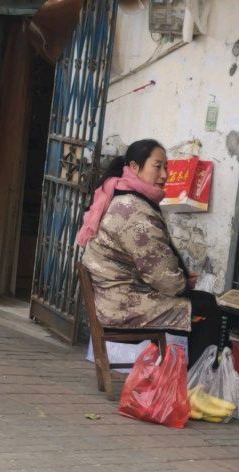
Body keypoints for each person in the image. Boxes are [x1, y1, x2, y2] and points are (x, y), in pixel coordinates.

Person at [77, 138, 219, 362]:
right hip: (122, 307)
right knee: (207, 309)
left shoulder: (123, 198)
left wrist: (179, 281)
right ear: (134, 167)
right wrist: (182, 283)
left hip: (114, 297)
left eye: (166, 167)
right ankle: (192, 384)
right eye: (158, 166)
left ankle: (179, 380)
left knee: (201, 302)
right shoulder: (135, 210)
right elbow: (165, 279)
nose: (164, 175)